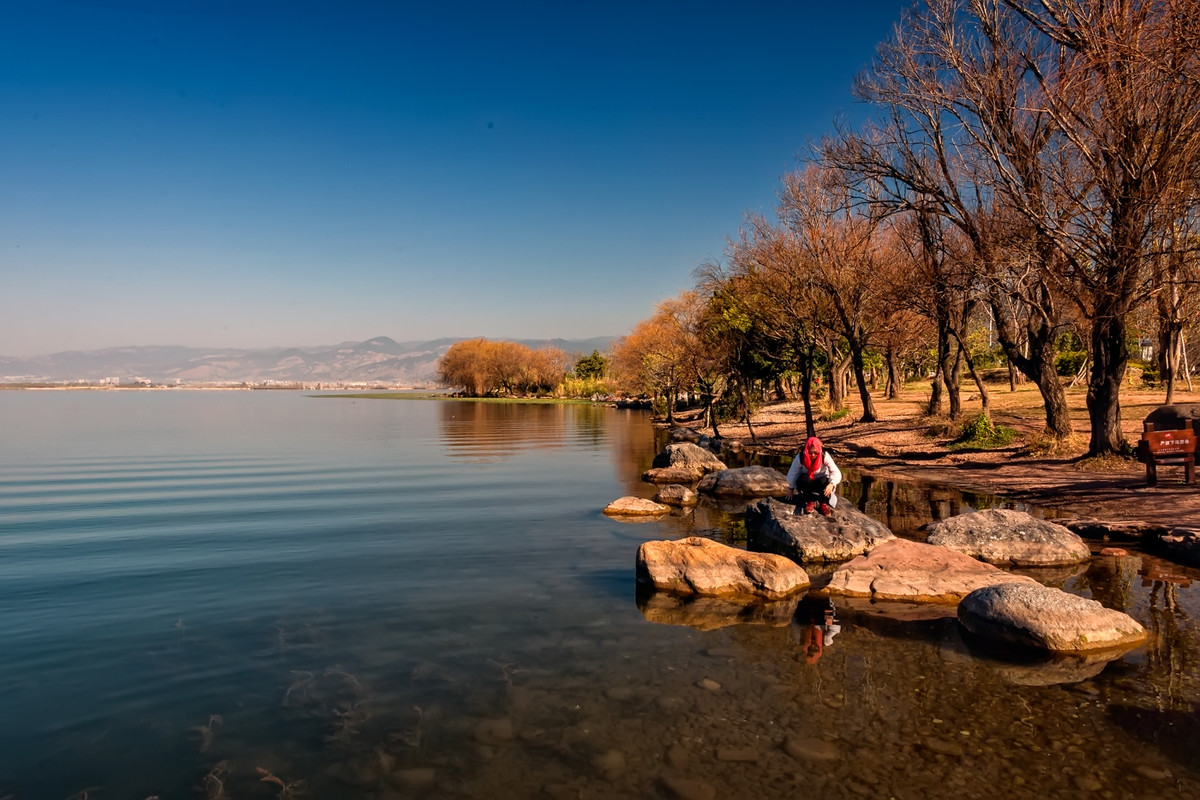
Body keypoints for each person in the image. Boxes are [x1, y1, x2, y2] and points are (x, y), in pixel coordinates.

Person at [785, 435, 842, 516]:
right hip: (806, 485)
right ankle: (809, 502)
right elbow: (792, 473)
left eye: (815, 453)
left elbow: (836, 472)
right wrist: (790, 488)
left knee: (824, 480)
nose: (812, 455)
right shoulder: (801, 457)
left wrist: (832, 484)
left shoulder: (824, 456)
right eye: (810, 452)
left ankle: (823, 504)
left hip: (820, 485)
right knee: (803, 478)